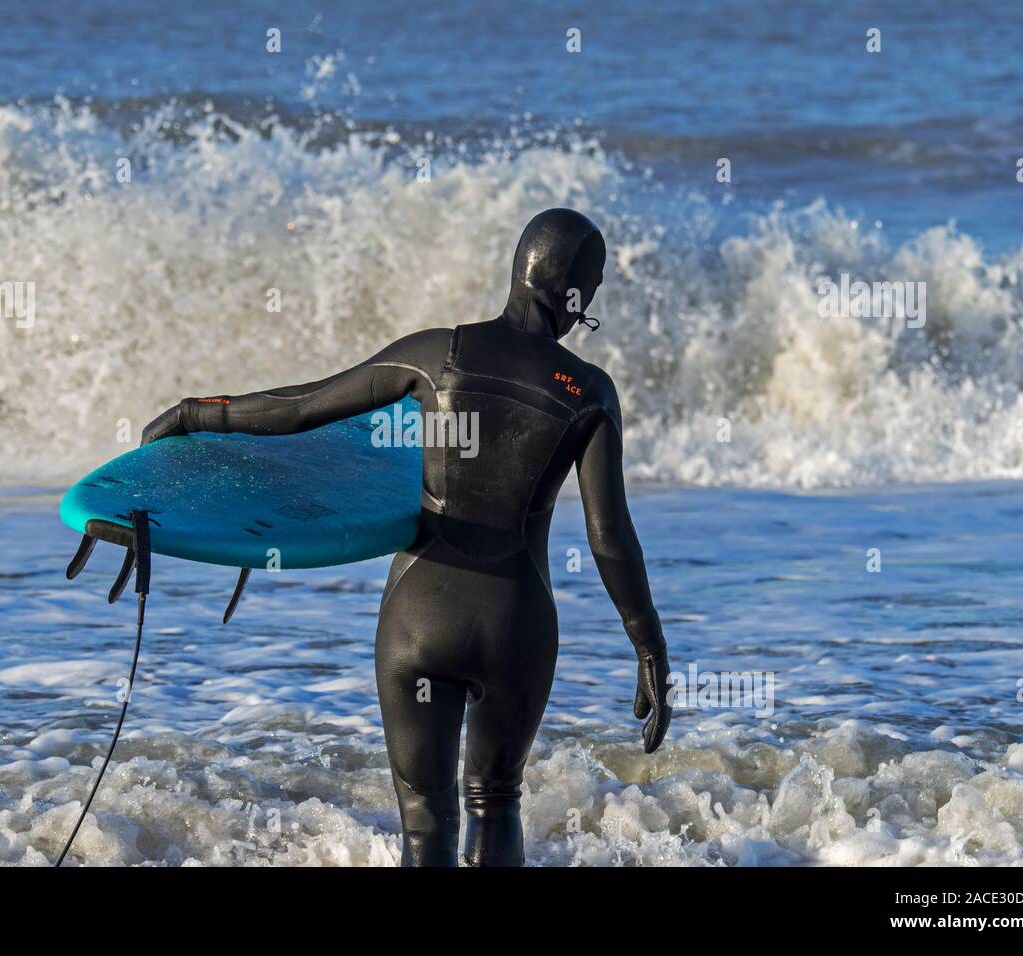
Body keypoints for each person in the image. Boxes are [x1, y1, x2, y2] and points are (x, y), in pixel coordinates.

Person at [142, 208, 672, 866]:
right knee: (497, 801)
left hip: (422, 619)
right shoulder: (589, 392)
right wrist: (649, 647)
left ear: (516, 273)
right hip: (516, 627)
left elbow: (301, 407)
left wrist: (197, 414)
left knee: (426, 823)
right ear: (577, 294)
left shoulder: (435, 355)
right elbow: (608, 536)